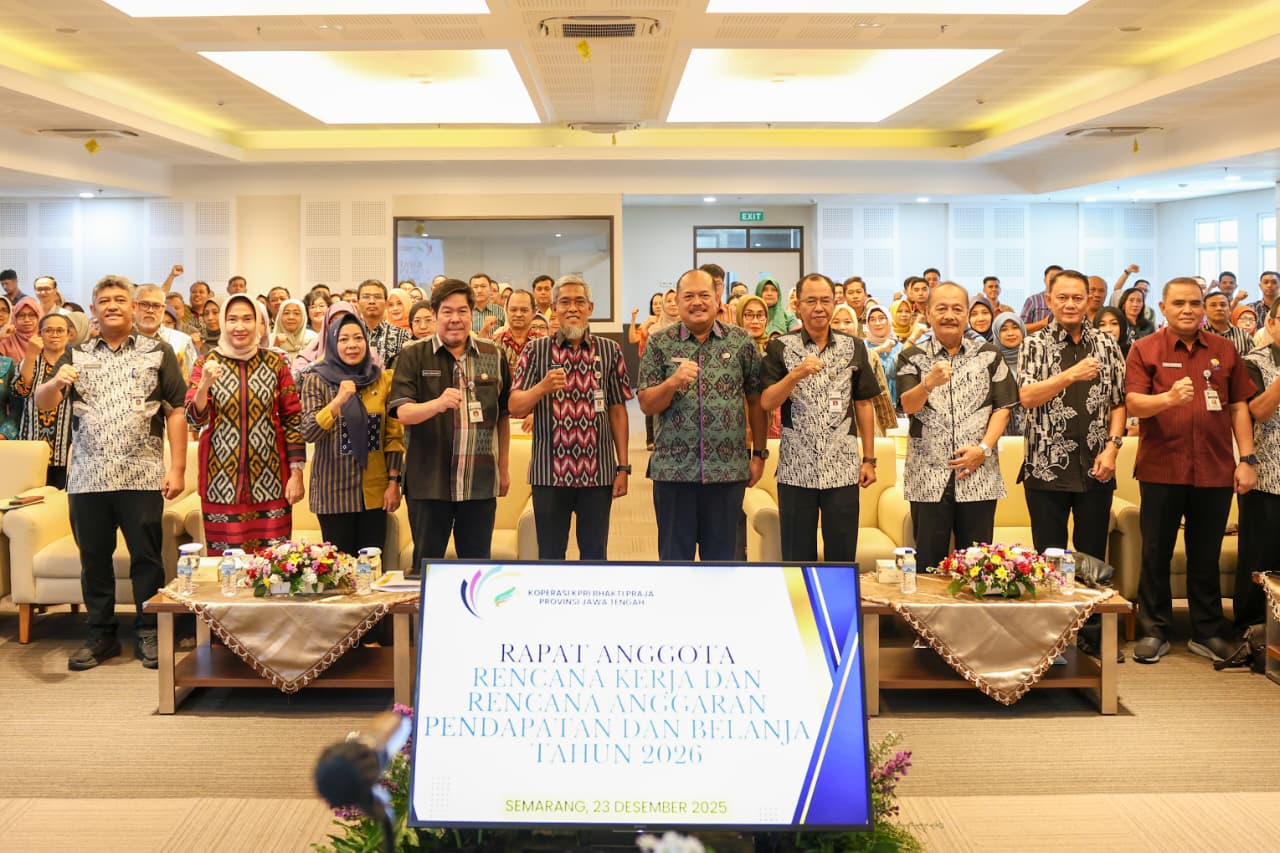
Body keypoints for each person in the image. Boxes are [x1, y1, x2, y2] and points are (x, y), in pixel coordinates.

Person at [35, 274, 187, 670]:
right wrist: (55, 381)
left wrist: (178, 468)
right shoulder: (77, 353)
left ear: (135, 308)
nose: (113, 305)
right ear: (94, 309)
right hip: (88, 477)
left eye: (121, 299)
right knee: (95, 559)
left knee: (146, 558)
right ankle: (100, 634)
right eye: (105, 300)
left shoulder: (158, 351)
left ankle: (149, 631)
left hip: (142, 474)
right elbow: (42, 403)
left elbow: (176, 410)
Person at [1125, 277, 1257, 665]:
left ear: (1204, 308)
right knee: (1155, 553)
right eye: (1179, 302)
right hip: (1162, 468)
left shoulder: (1224, 348)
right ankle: (1153, 630)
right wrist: (1166, 398)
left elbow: (1238, 407)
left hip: (1215, 470)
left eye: (1194, 303)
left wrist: (1247, 459)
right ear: (1163, 307)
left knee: (1206, 554)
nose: (1188, 309)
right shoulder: (1144, 348)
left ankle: (1208, 631)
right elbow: (1133, 403)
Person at [638, 268, 765, 561]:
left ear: (717, 298)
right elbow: (646, 403)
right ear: (678, 301)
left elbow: (757, 402)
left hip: (727, 472)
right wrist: (671, 383)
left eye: (704, 295)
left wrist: (759, 454)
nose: (697, 302)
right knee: (674, 560)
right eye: (689, 296)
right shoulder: (660, 343)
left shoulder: (740, 342)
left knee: (721, 563)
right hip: (673, 473)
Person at [390, 278, 511, 569]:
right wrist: (437, 404)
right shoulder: (413, 354)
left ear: (472, 314)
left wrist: (503, 468)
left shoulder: (493, 355)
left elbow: (503, 416)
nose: (455, 319)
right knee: (426, 569)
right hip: (428, 483)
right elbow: (402, 413)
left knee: (475, 568)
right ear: (434, 314)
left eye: (462, 311)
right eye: (447, 311)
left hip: (479, 483)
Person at [509, 275, 632, 560]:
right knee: (550, 554)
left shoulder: (609, 350)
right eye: (564, 302)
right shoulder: (535, 350)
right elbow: (515, 406)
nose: (572, 308)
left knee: (594, 552)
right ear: (553, 307)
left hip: (598, 473)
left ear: (590, 307)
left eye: (579, 302)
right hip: (549, 474)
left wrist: (623, 466)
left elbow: (617, 409)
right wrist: (541, 388)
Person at [897, 283, 1018, 572]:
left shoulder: (989, 355)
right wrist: (928, 384)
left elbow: (1004, 408)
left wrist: (983, 449)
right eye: (942, 308)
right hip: (928, 477)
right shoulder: (911, 355)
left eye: (957, 309)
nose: (949, 315)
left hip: (978, 473)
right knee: (928, 564)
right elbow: (907, 405)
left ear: (967, 315)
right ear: (927, 313)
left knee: (978, 567)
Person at [761, 274, 879, 562]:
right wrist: (795, 374)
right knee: (796, 553)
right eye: (810, 301)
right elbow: (767, 401)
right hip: (796, 469)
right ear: (798, 306)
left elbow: (864, 404)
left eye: (825, 300)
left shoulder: (855, 347)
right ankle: (801, 607)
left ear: (834, 303)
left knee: (841, 553)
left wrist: (869, 459)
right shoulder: (780, 347)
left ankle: (838, 608)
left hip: (842, 467)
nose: (818, 308)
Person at [1017, 270, 1127, 561]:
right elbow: (1027, 396)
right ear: (1050, 301)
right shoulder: (1034, 344)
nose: (1070, 304)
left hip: (1097, 466)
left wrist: (1113, 447)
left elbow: (1119, 403)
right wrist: (1069, 376)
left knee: (1093, 560)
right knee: (1049, 560)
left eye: (1077, 298)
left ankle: (1093, 609)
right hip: (1045, 466)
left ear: (1087, 300)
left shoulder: (1107, 344)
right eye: (1062, 298)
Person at [186, 294, 305, 555]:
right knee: (228, 565)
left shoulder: (276, 362)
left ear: (260, 323)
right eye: (232, 319)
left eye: (247, 319)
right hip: (220, 482)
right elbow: (194, 417)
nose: (240, 326)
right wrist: (205, 384)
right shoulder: (206, 362)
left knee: (274, 564)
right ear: (222, 323)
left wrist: (297, 473)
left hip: (272, 478)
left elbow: (293, 418)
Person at [299, 308, 404, 556]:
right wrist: (337, 402)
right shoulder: (316, 379)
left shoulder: (382, 380)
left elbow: (393, 437)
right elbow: (309, 431)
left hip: (374, 492)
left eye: (358, 338)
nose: (352, 345)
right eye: (343, 339)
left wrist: (393, 482)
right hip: (333, 492)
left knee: (372, 565)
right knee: (340, 570)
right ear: (332, 343)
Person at [14, 312, 74, 486]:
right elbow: (20, 391)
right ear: (40, 334)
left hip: (66, 447)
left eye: (59, 330)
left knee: (60, 503)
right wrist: (31, 355)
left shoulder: (76, 363)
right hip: (31, 444)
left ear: (69, 334)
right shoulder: (30, 361)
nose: (54, 335)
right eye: (48, 330)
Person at [134, 284, 199, 381]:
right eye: (144, 304)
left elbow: (192, 383)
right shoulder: (119, 339)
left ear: (163, 309)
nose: (150, 310)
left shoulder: (182, 341)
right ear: (134, 306)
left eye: (156, 306)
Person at [359, 279, 412, 369]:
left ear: (386, 303)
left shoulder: (402, 335)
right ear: (358, 302)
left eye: (377, 297)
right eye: (366, 297)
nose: (371, 301)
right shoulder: (351, 334)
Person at [493, 289, 543, 374]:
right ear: (506, 311)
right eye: (513, 310)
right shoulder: (493, 344)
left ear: (534, 312)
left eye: (524, 310)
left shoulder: (544, 343)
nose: (518, 314)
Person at [863, 302, 902, 407]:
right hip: (871, 405)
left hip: (899, 405)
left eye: (881, 318)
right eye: (872, 319)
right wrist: (880, 349)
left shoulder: (900, 347)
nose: (877, 323)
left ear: (889, 321)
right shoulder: (862, 346)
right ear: (867, 323)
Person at [1203, 288, 1253, 356]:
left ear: (1229, 310)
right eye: (1213, 305)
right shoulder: (1198, 335)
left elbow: (1254, 362)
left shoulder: (1243, 335)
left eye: (1223, 305)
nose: (1219, 308)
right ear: (1204, 310)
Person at [1020, 265, 1062, 335]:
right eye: (1052, 277)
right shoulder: (1033, 300)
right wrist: (1043, 323)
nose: (1055, 280)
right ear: (1045, 280)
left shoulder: (1069, 302)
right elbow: (1021, 328)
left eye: (1059, 278)